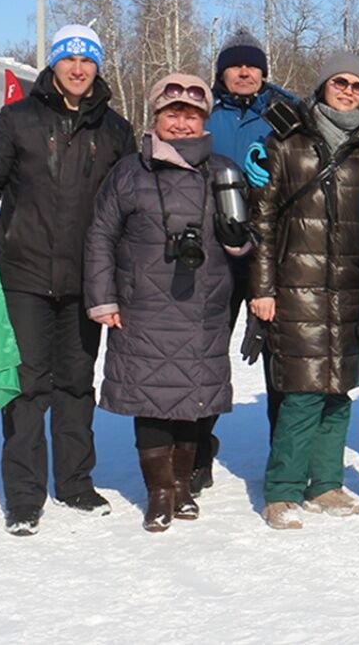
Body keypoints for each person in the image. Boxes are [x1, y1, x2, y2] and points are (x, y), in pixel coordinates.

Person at [0, 24, 134, 536]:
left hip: (87, 280)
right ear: (55, 64)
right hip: (24, 276)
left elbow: (129, 203)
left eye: (88, 61)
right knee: (25, 388)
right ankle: (23, 495)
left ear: (98, 67)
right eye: (69, 60)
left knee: (76, 385)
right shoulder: (17, 119)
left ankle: (75, 482)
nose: (79, 69)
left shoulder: (115, 130)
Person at [83, 74, 253, 532]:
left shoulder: (223, 170)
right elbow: (100, 235)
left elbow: (245, 239)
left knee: (194, 402)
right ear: (155, 117)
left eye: (191, 115)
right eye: (171, 113)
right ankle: (159, 492)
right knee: (151, 401)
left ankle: (182, 484)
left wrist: (240, 243)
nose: (181, 123)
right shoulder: (129, 172)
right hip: (143, 307)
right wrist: (102, 299)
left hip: (204, 308)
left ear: (204, 119)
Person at [249, 54, 359, 530]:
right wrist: (262, 289)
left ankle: (325, 483)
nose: (348, 91)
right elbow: (263, 223)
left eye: (356, 86)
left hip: (347, 289)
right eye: (339, 83)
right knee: (303, 393)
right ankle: (283, 490)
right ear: (322, 86)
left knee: (338, 390)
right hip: (297, 288)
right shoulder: (288, 141)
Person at [197, 28, 299, 491]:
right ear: (221, 73)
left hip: (271, 252)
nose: (244, 72)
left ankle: (284, 457)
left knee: (280, 360)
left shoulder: (282, 112)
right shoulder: (203, 112)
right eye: (235, 65)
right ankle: (197, 450)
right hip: (213, 253)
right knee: (206, 353)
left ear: (263, 71)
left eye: (252, 65)